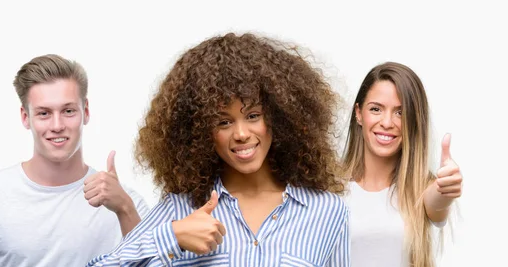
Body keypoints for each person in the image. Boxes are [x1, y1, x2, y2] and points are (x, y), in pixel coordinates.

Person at [86, 32, 350, 267]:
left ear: (280, 117)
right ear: (200, 132)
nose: (242, 134)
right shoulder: (181, 209)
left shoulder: (327, 211)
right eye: (223, 122)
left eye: (253, 115)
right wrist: (174, 236)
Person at [0, 54, 149, 267]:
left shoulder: (129, 204)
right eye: (44, 113)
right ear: (26, 117)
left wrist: (125, 209)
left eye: (68, 111)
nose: (57, 125)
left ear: (86, 111)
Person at [341, 62, 463, 267]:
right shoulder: (329, 189)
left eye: (400, 112)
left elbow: (436, 201)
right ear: (359, 113)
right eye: (376, 109)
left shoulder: (421, 189)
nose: (387, 122)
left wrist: (445, 189)